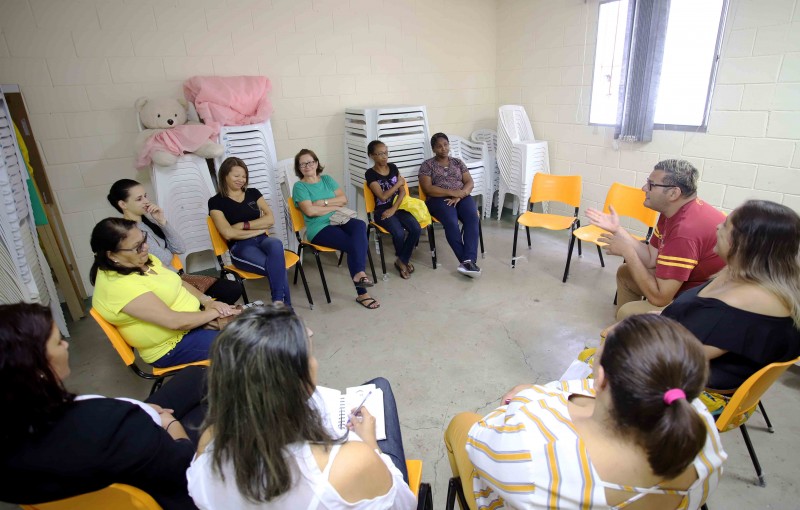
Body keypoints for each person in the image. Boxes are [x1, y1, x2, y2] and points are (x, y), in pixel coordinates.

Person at [445, 314, 726, 510]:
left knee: (462, 424)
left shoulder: (534, 450)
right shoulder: (703, 431)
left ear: (601, 380)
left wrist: (527, 397)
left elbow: (482, 441)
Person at [187, 305, 415, 509]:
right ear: (301, 384)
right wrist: (370, 444)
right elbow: (405, 505)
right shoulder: (351, 463)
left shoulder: (209, 442)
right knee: (379, 387)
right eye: (310, 355)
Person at [0, 302, 207, 510]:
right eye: (58, 342)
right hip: (170, 490)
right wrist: (171, 425)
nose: (66, 345)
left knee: (196, 375)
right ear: (37, 370)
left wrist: (139, 413)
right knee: (215, 410)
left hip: (115, 452)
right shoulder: (111, 423)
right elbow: (183, 467)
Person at [660, 200, 800, 420]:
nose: (717, 227)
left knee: (596, 361)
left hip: (698, 393)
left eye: (725, 225)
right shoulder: (749, 276)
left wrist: (631, 333)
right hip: (686, 360)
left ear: (745, 243)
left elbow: (677, 356)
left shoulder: (744, 305)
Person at [91, 217, 240, 368]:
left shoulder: (144, 260)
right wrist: (217, 312)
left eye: (144, 239)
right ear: (112, 255)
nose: (146, 248)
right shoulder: (119, 287)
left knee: (255, 327)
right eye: (137, 247)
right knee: (248, 342)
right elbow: (175, 322)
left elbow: (178, 281)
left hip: (193, 323)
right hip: (172, 346)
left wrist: (208, 302)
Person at [587, 159, 726, 320]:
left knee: (628, 312)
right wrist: (617, 230)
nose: (644, 188)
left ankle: (628, 333)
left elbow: (660, 298)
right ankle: (624, 333)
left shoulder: (685, 232)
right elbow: (652, 259)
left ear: (674, 193)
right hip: (688, 286)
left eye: (651, 185)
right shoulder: (673, 211)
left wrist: (628, 253)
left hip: (703, 304)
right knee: (626, 274)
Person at [108, 178, 242, 305]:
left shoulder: (149, 223)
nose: (146, 201)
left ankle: (207, 315)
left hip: (177, 277)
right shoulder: (128, 233)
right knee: (228, 291)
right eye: (139, 199)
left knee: (232, 289)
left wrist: (162, 222)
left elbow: (180, 248)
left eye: (145, 196)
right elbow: (161, 259)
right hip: (164, 283)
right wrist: (167, 252)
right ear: (122, 204)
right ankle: (204, 316)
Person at [292, 149, 380, 309]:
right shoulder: (299, 187)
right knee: (352, 243)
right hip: (319, 228)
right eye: (303, 164)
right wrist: (331, 204)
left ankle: (359, 274)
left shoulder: (326, 179)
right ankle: (362, 292)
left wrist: (322, 203)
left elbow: (343, 199)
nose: (307, 166)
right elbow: (310, 212)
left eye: (310, 162)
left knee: (360, 225)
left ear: (316, 163)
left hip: (340, 218)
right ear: (299, 168)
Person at [208, 157, 292, 307]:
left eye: (244, 176)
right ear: (224, 175)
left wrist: (242, 225)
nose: (241, 179)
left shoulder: (253, 193)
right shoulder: (215, 202)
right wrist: (257, 230)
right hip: (240, 247)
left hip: (263, 240)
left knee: (276, 244)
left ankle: (279, 305)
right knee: (278, 267)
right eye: (236, 176)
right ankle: (286, 310)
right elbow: (228, 233)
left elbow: (270, 219)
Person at [418, 133, 481, 278]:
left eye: (445, 144)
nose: (443, 148)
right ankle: (466, 262)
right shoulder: (427, 165)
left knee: (472, 218)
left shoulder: (457, 162)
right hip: (438, 199)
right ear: (433, 149)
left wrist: (461, 194)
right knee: (451, 222)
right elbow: (428, 188)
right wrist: (452, 192)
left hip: (461, 197)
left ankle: (469, 260)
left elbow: (469, 183)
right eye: (439, 146)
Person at [365, 140, 421, 279]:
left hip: (398, 206)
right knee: (398, 233)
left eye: (385, 153)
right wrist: (398, 184)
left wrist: (394, 208)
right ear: (371, 155)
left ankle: (401, 260)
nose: (384, 157)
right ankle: (403, 263)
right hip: (381, 211)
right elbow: (383, 197)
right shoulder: (370, 174)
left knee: (416, 228)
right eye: (379, 154)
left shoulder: (393, 167)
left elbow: (402, 192)